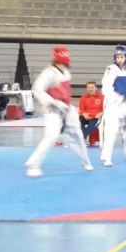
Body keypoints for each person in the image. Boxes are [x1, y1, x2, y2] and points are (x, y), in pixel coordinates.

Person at [25, 46, 94, 177]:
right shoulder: (48, 73)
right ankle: (33, 164)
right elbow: (37, 90)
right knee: (51, 136)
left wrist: (65, 106)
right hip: (52, 111)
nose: (63, 65)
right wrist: (54, 102)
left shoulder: (67, 72)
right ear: (56, 61)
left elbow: (65, 91)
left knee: (78, 136)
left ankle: (86, 161)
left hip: (67, 110)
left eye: (64, 63)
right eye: (60, 63)